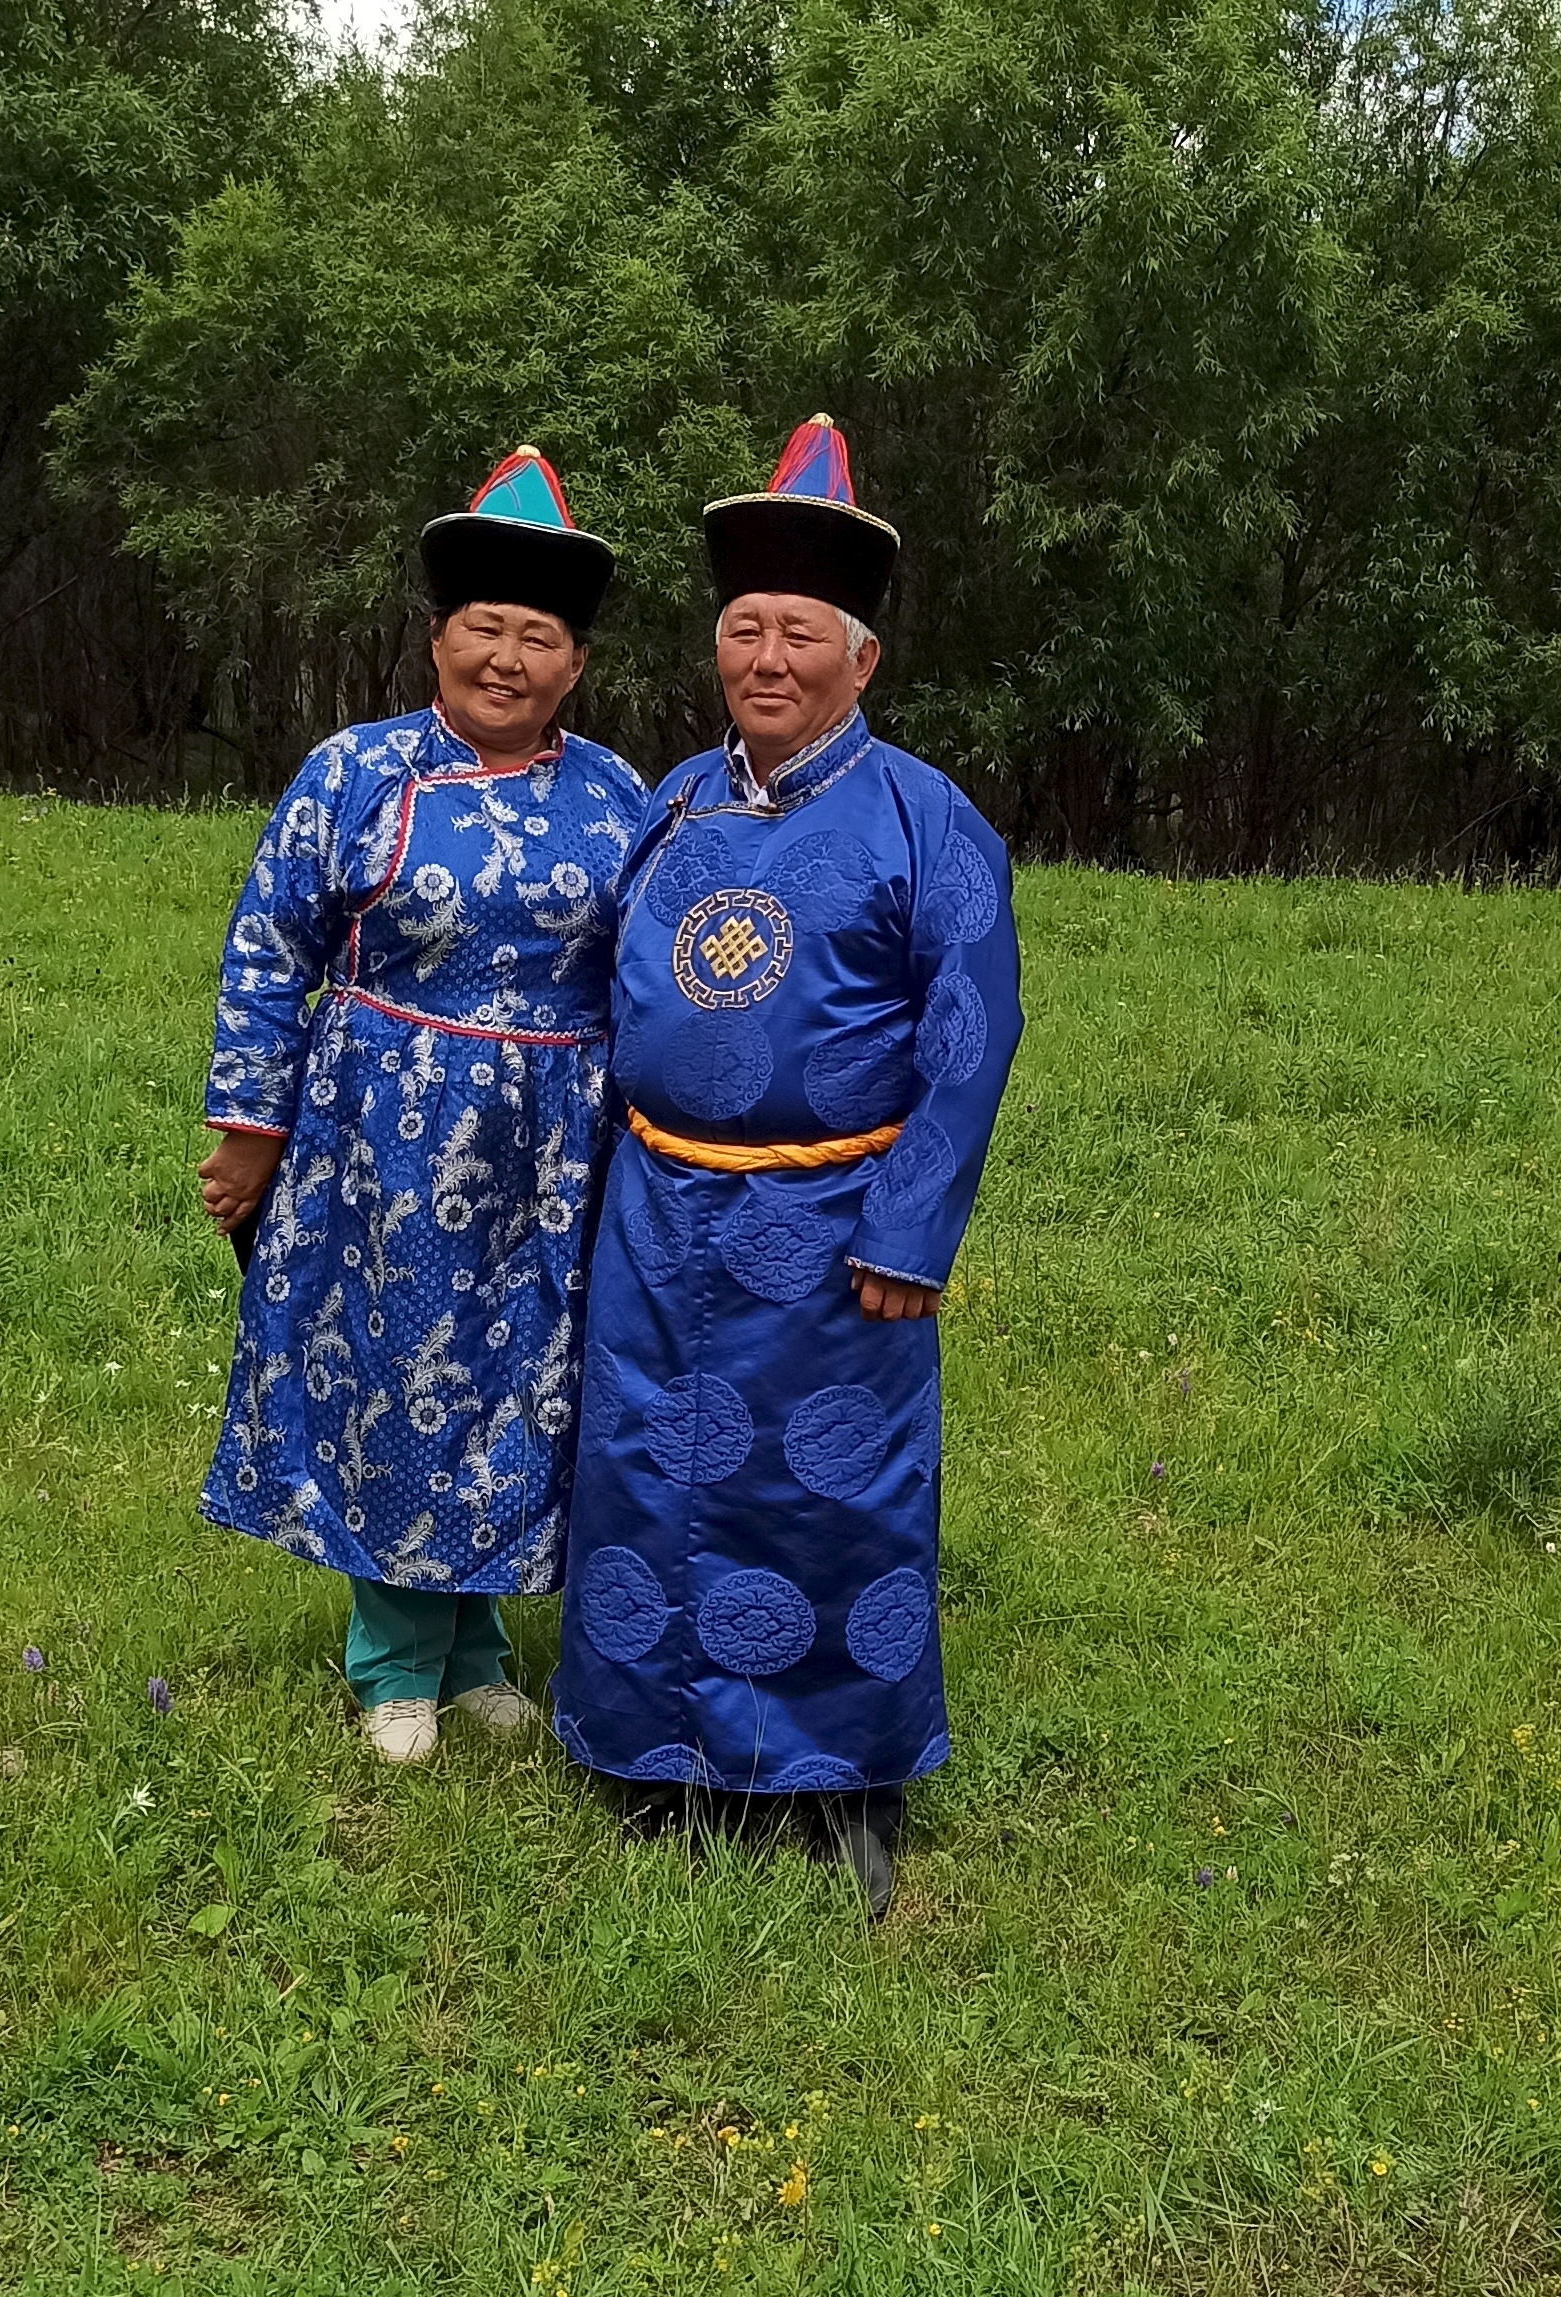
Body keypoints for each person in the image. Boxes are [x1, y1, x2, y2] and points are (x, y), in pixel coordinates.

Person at [551, 415, 1023, 1918]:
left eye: (797, 631)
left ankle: (837, 1781)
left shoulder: (921, 818)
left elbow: (972, 1028)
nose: (765, 655)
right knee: (645, 1469)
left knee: (832, 1490)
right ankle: (656, 1751)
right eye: (742, 626)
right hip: (656, 1209)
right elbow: (597, 988)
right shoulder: (674, 796)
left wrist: (910, 1229)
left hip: (832, 1224)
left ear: (859, 658)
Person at [194, 450, 647, 1765]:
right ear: (437, 636)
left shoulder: (621, 795)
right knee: (403, 1373)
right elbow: (268, 943)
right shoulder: (355, 772)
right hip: (385, 1128)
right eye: (484, 627)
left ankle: (477, 1646)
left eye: (538, 634)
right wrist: (249, 1125)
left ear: (573, 663)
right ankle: (393, 1657)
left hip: (559, 1142)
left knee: (522, 1383)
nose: (506, 655)